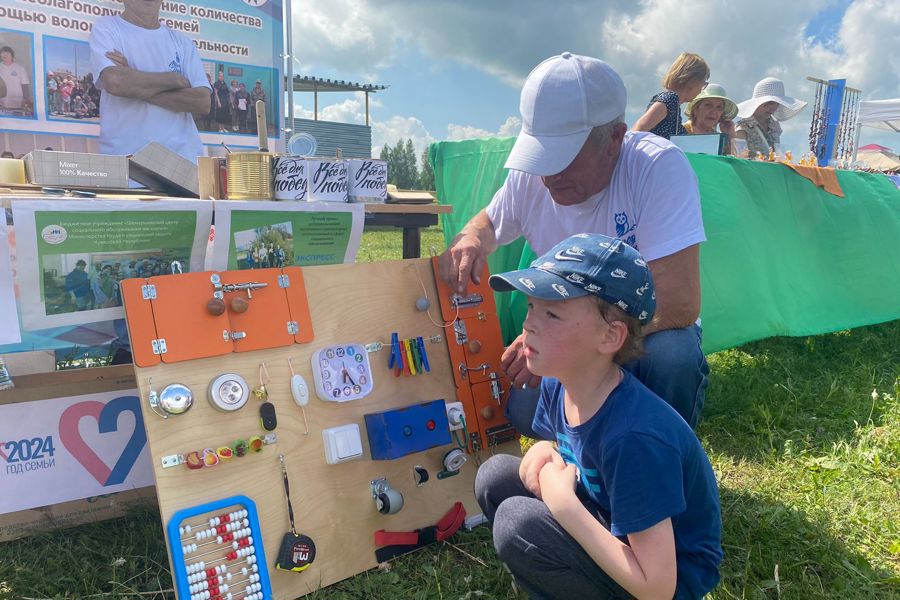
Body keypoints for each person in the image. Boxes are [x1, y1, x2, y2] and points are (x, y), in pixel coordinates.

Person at [440, 52, 709, 429]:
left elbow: (678, 303)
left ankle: (661, 448)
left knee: (669, 359)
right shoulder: (531, 177)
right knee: (522, 412)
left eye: (563, 157)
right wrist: (470, 238)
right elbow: (488, 223)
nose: (548, 176)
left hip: (642, 329)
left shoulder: (656, 167)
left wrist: (563, 341)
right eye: (540, 157)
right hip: (567, 332)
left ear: (615, 138)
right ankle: (589, 434)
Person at [475, 233, 723, 600]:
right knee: (493, 477)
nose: (529, 325)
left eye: (552, 313)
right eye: (530, 307)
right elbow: (564, 445)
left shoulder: (634, 436)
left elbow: (657, 586)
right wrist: (547, 449)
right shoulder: (559, 384)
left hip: (667, 577)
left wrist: (566, 508)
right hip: (612, 517)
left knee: (517, 523)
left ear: (610, 337)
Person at [88, 0, 211, 163]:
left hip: (182, 165)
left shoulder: (183, 42)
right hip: (127, 164)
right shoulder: (107, 28)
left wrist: (132, 80)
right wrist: (174, 79)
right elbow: (116, 82)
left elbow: (202, 102)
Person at [632, 52, 709, 139]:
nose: (702, 89)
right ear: (692, 81)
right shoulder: (669, 100)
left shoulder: (674, 105)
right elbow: (638, 129)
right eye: (703, 84)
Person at [735, 77, 807, 159]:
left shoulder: (775, 126)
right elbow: (739, 158)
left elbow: (778, 153)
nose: (772, 108)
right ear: (757, 103)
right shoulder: (742, 127)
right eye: (768, 103)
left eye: (777, 104)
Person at [684, 83, 738, 152]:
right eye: (708, 105)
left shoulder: (720, 139)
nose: (713, 111)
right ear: (696, 109)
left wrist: (730, 135)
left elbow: (736, 159)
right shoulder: (681, 131)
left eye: (719, 107)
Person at [0, 46, 33, 114]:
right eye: (2, 53)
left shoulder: (20, 68)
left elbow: (24, 85)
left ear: (12, 55)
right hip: (1, 104)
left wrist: (26, 99)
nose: (4, 54)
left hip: (17, 104)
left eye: (7, 53)